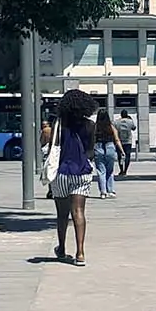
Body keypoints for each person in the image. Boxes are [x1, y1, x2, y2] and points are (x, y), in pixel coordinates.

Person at [45, 90, 100, 265]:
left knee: (62, 214)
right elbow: (90, 151)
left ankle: (61, 248)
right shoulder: (90, 125)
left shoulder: (59, 124)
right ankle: (80, 253)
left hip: (61, 172)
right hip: (81, 171)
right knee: (79, 212)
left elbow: (52, 146)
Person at [92, 109, 123, 199]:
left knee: (101, 171)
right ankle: (111, 191)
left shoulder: (95, 127)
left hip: (98, 147)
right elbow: (117, 139)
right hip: (110, 147)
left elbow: (92, 140)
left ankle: (103, 192)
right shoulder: (111, 126)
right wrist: (121, 150)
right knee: (110, 171)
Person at [115, 110, 138, 177]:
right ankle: (125, 170)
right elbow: (134, 128)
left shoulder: (117, 122)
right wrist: (130, 119)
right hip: (128, 141)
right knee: (127, 156)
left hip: (119, 141)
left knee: (120, 156)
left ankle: (121, 170)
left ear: (121, 115)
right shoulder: (130, 121)